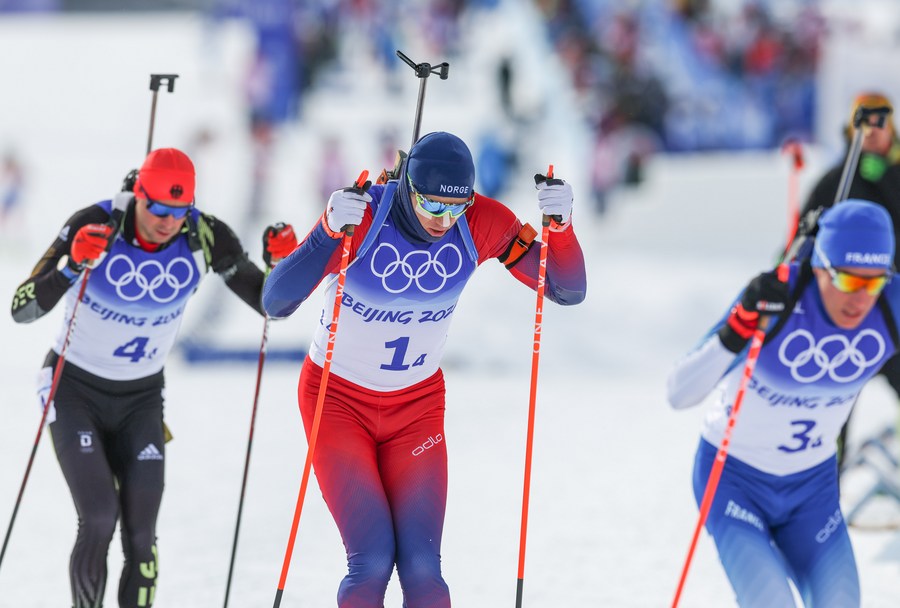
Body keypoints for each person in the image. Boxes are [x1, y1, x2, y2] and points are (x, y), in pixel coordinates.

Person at [263, 131, 587, 607]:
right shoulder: (366, 216)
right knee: (371, 560)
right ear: (408, 187)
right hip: (336, 403)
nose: (443, 220)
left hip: (415, 409)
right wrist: (327, 230)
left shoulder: (481, 221)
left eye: (454, 208)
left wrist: (561, 225)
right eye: (431, 206)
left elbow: (566, 288)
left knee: (423, 572)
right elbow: (276, 301)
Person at [9, 148, 297, 608]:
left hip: (141, 398)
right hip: (74, 387)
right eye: (157, 209)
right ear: (137, 195)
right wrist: (72, 266)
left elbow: (270, 305)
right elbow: (22, 308)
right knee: (99, 517)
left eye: (178, 212)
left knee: (142, 536)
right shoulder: (95, 223)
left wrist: (284, 269)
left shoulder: (204, 234)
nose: (166, 223)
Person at [667, 200, 899, 607]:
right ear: (821, 265)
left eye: (874, 281)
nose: (860, 298)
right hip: (734, 481)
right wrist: (737, 329)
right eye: (847, 280)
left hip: (813, 490)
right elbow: (679, 392)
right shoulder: (779, 297)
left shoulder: (890, 305)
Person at [797, 92, 900, 467]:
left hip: (892, 311)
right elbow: (802, 236)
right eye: (864, 123)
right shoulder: (834, 182)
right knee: (831, 411)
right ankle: (826, 485)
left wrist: (888, 178)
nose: (872, 133)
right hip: (843, 315)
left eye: (881, 123)